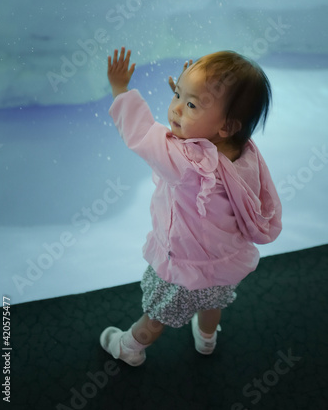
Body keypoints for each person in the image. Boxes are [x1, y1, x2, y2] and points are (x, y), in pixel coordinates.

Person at [100, 47, 282, 366]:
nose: (175, 110)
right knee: (211, 303)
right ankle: (207, 340)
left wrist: (120, 89)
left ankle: (129, 347)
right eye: (177, 95)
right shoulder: (246, 154)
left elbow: (141, 133)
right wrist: (194, 97)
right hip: (225, 262)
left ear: (226, 127)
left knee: (155, 318)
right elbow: (203, 130)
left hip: (183, 267)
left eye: (190, 105)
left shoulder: (186, 164)